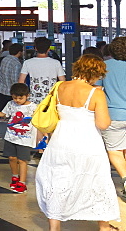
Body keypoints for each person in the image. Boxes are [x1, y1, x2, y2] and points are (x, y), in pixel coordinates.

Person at [36, 54, 120, 230]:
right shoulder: (96, 93)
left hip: (60, 141)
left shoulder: (61, 87)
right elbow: (103, 124)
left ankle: (54, 225)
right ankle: (104, 226)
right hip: (87, 143)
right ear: (95, 73)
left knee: (58, 180)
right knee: (97, 182)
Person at [0, 82, 36, 193]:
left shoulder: (33, 107)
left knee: (22, 160)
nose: (17, 100)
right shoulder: (11, 104)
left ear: (28, 95)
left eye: (20, 98)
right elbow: (3, 114)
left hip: (25, 139)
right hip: (10, 137)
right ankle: (15, 177)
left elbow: (40, 119)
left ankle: (22, 183)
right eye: (14, 97)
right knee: (11, 158)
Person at [99, 36, 126, 195]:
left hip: (113, 115)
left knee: (115, 150)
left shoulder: (104, 67)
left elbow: (97, 90)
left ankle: (125, 178)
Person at [0, 44, 24, 139]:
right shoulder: (16, 64)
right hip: (9, 91)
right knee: (15, 113)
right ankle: (15, 133)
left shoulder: (4, 59)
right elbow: (15, 79)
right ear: (19, 52)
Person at [20, 36, 67, 105]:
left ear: (35, 48)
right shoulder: (56, 63)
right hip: (51, 99)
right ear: (48, 49)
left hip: (33, 100)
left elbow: (21, 81)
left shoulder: (27, 62)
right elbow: (62, 81)